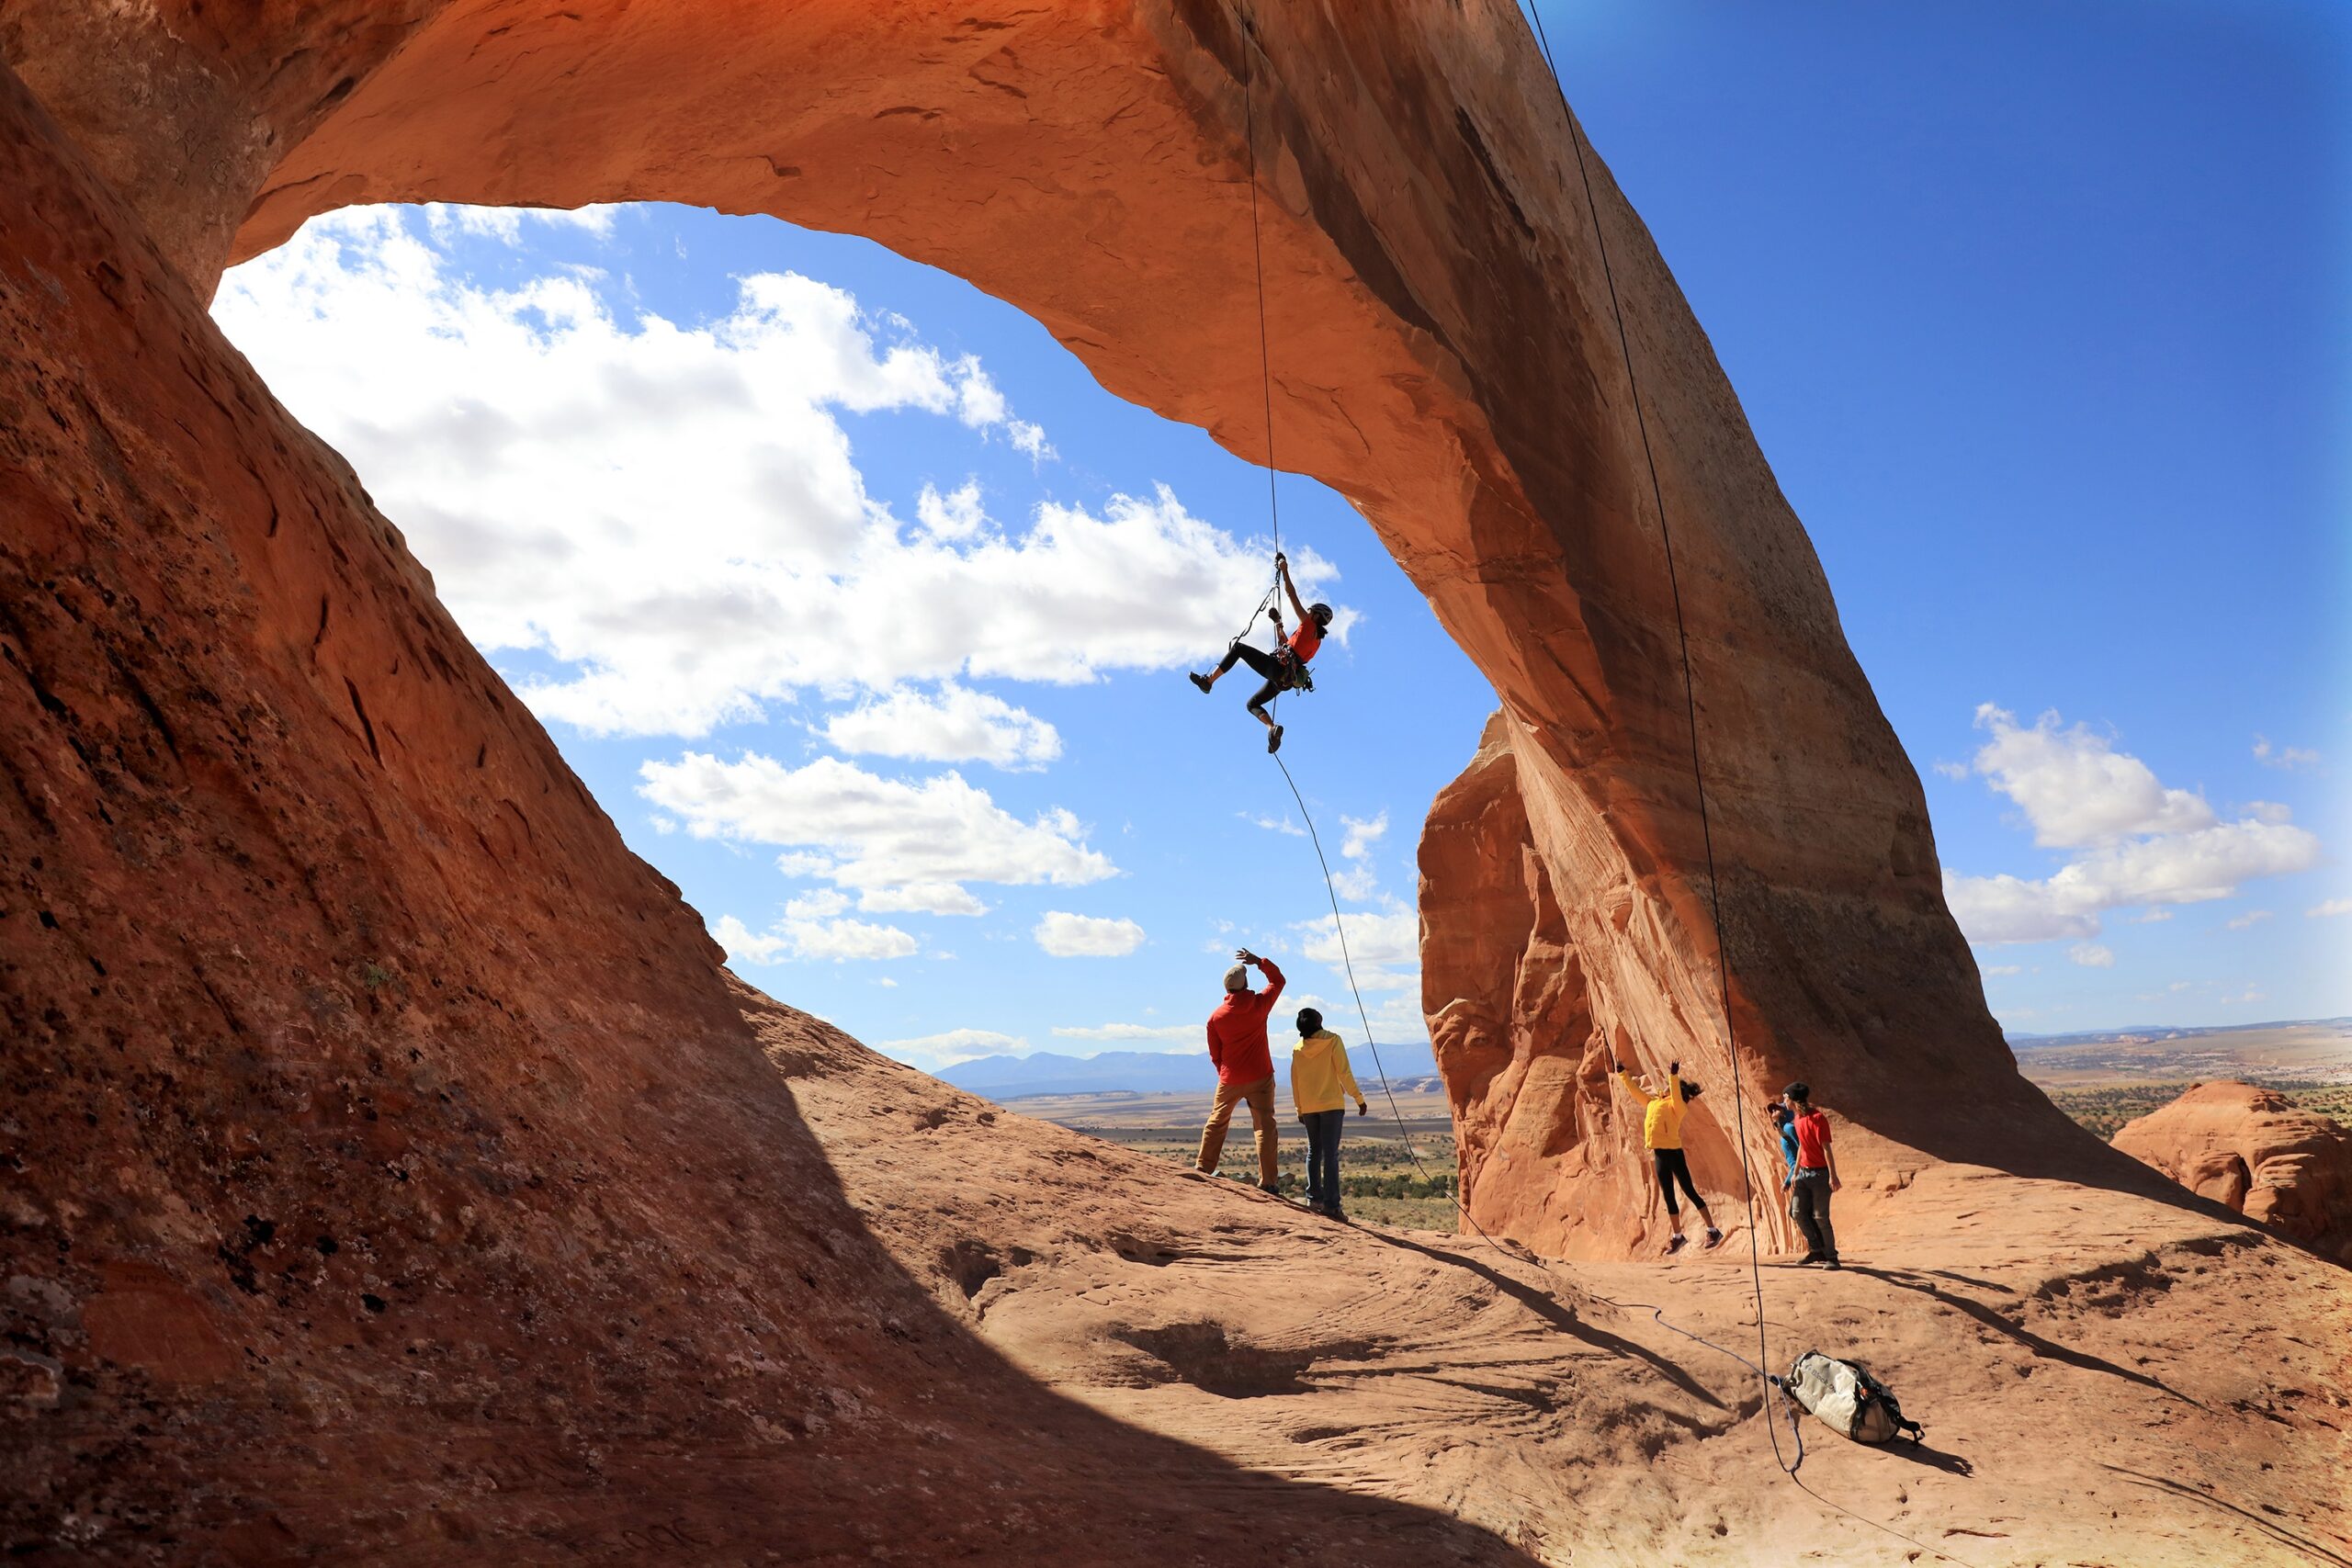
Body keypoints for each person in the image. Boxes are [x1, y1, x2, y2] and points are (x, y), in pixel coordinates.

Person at [1189, 551, 1333, 754]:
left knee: (1238, 648)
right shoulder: (1316, 642)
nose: (1307, 613)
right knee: (1252, 703)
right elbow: (1287, 645)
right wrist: (1277, 622)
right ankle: (1272, 729)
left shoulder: (1309, 624)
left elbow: (1291, 594)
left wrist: (1284, 570)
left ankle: (1209, 681)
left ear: (1316, 615)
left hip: (1278, 669)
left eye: (1311, 612)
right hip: (1285, 681)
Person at [1195, 948, 1286, 1191]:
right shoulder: (1259, 1005)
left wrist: (1224, 1072)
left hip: (1231, 1077)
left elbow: (1215, 1053)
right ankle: (1268, 1182)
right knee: (1265, 1126)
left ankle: (1203, 1167)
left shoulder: (1216, 1017)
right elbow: (1278, 981)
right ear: (1244, 983)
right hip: (1261, 1075)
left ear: (1227, 989)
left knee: (1217, 1121)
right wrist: (1260, 962)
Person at [1613, 1055, 1722, 1252]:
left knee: (1689, 1191)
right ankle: (1678, 1236)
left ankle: (1713, 1230)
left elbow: (1674, 1092)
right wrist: (1622, 1073)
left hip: (1674, 1153)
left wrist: (1673, 1075)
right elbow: (1635, 1091)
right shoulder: (1653, 1103)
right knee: (1668, 1195)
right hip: (1660, 1153)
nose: (1666, 1090)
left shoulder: (1678, 1107)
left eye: (1672, 1090)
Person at [1289, 1007, 1367, 1220]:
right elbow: (1344, 1072)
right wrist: (1358, 1098)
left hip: (1310, 1108)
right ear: (1318, 1022)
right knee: (1330, 1155)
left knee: (1314, 1151)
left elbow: (1295, 1082)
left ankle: (1314, 1198)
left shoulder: (1297, 1049)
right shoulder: (1333, 1040)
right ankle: (1332, 1206)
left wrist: (1299, 1109)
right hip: (1331, 1106)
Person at [1783, 1082, 1841, 1267]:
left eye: (1785, 1097)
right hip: (1803, 1175)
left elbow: (1826, 1148)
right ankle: (1816, 1250)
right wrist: (1796, 1172)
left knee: (1820, 1217)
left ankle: (1832, 1257)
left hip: (1820, 1175)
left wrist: (1833, 1175)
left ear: (1792, 1099)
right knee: (1796, 1212)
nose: (1783, 1100)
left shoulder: (1817, 1118)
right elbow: (1801, 1146)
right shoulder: (1797, 1119)